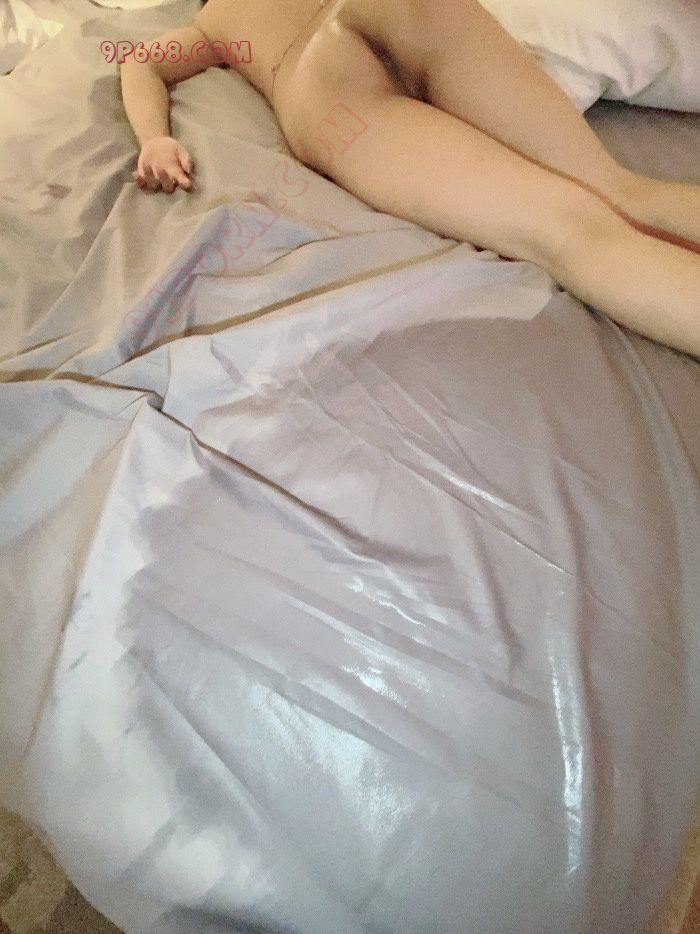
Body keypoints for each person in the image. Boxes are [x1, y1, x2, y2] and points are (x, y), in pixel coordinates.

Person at [120, 0, 700, 358]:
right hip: (397, 10)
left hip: (323, 90)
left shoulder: (217, 21)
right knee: (619, 192)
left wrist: (154, 138)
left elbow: (140, 59)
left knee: (566, 232)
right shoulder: (217, 21)